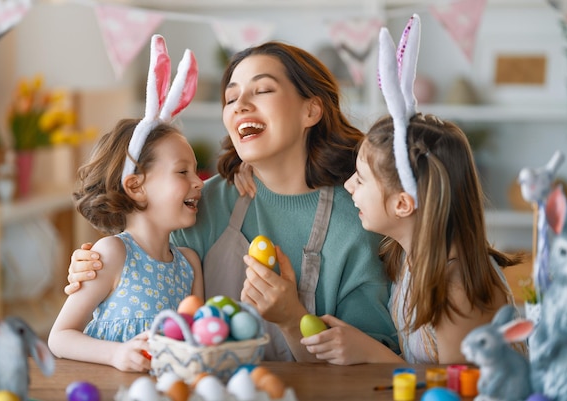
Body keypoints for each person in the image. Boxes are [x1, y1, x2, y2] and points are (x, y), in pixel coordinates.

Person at [64, 40, 400, 362]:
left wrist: (291, 317)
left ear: (311, 110)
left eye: (263, 89)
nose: (240, 105)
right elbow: (139, 271)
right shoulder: (201, 204)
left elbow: (367, 365)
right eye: (230, 98)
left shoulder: (357, 219)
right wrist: (95, 263)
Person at [298, 14, 523, 365]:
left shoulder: (456, 292)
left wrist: (370, 353)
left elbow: (457, 390)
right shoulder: (408, 259)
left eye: (360, 177)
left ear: (403, 204)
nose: (348, 185)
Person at [47, 35, 204, 372]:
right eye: (182, 171)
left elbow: (197, 340)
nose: (198, 182)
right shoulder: (113, 253)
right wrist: (115, 355)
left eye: (194, 171)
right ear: (136, 186)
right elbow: (59, 337)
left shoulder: (190, 264)